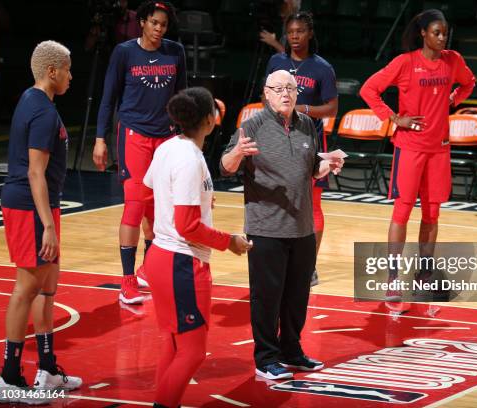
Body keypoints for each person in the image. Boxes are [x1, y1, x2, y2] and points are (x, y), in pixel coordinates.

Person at [220, 70, 343, 380]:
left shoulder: (306, 125)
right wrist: (236, 153)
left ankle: (292, 351)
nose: (285, 93)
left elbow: (311, 169)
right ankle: (265, 359)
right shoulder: (251, 127)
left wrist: (328, 164)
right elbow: (224, 167)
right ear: (266, 93)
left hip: (302, 228)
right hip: (266, 229)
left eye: (291, 88)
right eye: (278, 88)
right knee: (267, 298)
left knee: (297, 295)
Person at [143, 87, 252, 408]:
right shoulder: (191, 159)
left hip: (160, 258)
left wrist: (200, 200)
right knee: (191, 353)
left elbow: (150, 190)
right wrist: (229, 242)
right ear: (209, 120)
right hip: (182, 265)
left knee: (173, 345)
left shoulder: (167, 148)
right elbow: (187, 226)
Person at [360, 9, 475, 304]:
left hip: (439, 149)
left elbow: (469, 82)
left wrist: (453, 100)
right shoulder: (406, 62)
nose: (442, 37)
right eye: (436, 32)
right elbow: (369, 89)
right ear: (423, 33)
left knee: (432, 213)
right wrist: (394, 118)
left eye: (444, 32)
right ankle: (393, 278)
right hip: (410, 148)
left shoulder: (453, 60)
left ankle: (424, 273)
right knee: (402, 211)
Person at [0, 41, 81, 404]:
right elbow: (34, 172)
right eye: (69, 70)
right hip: (31, 209)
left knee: (48, 288)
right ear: (52, 72)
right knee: (26, 289)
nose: (72, 76)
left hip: (44, 208)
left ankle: (48, 368)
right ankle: (7, 377)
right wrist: (46, 224)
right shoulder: (42, 112)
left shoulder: (32, 100)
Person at [93, 0, 187, 305]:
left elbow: (182, 97)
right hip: (133, 135)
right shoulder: (124, 53)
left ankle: (150, 270)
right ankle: (127, 280)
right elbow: (108, 98)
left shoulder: (175, 52)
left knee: (159, 210)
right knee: (134, 206)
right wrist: (100, 138)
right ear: (142, 22)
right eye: (154, 23)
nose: (159, 29)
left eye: (164, 24)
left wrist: (184, 137)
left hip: (167, 137)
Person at [265, 11, 338, 286]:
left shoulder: (322, 68)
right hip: (280, 140)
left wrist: (302, 109)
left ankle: (309, 266)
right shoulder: (276, 61)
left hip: (311, 141)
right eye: (291, 32)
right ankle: (283, 261)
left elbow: (332, 107)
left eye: (300, 31)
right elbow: (267, 95)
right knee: (279, 201)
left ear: (310, 34)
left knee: (311, 205)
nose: (294, 36)